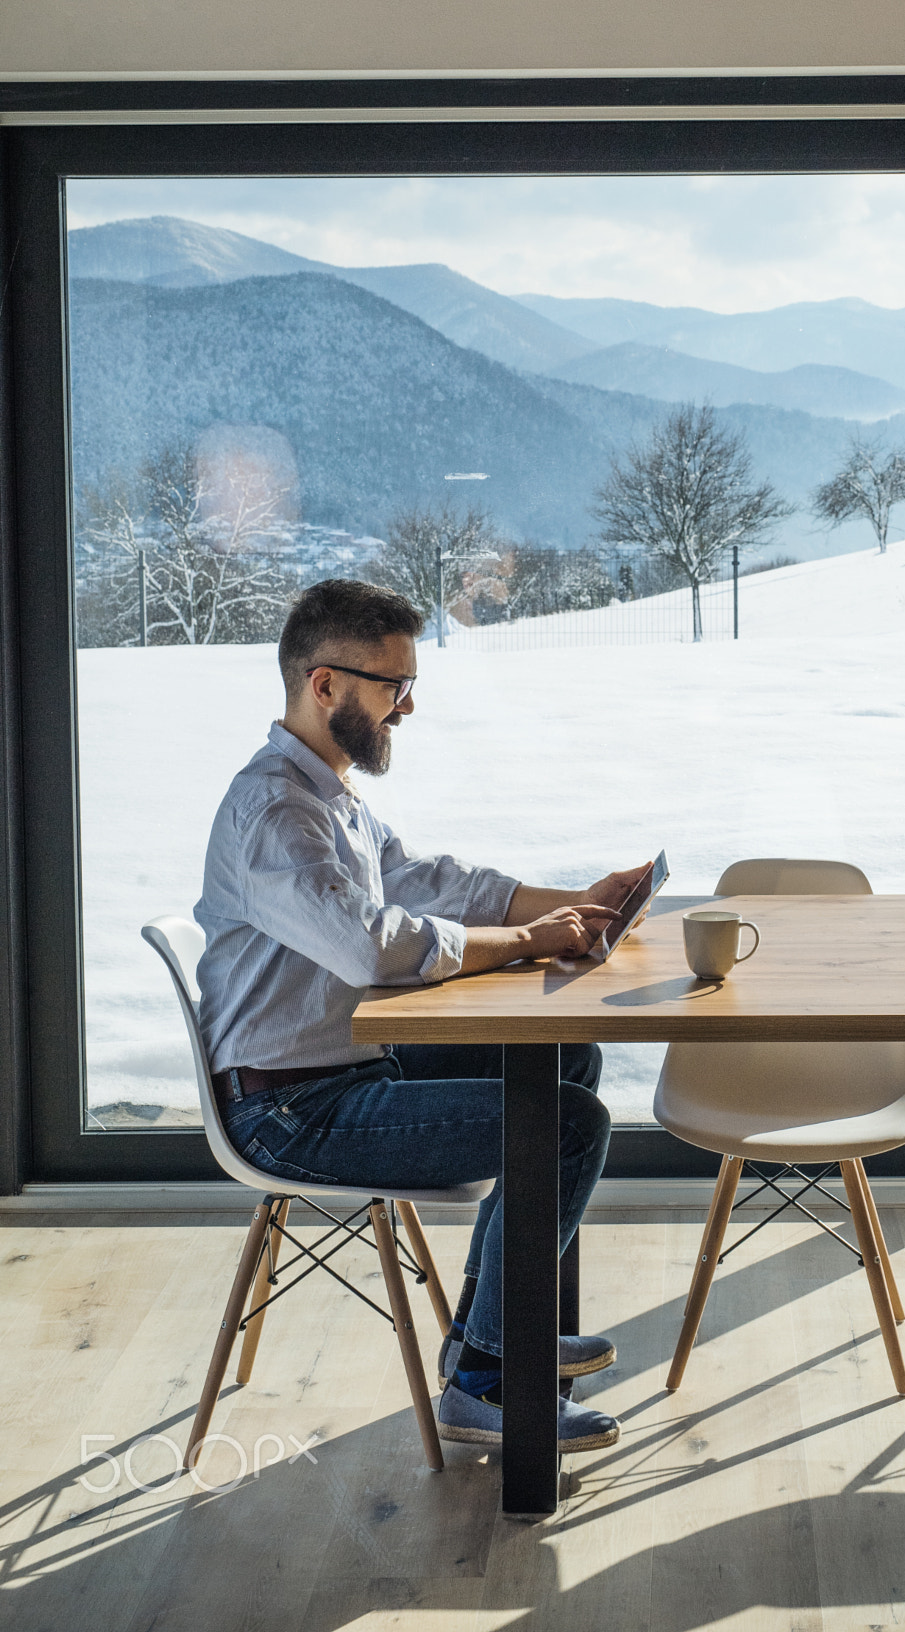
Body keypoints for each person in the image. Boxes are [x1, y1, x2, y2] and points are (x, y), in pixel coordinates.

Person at [195, 577, 648, 1453]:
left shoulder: (327, 795)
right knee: (564, 1124)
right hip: (290, 1110)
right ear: (323, 684)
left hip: (347, 1069)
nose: (406, 708)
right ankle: (486, 1379)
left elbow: (425, 883)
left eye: (409, 685)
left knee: (567, 1061)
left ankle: (497, 1328)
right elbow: (371, 946)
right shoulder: (275, 813)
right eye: (391, 686)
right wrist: (522, 944)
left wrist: (575, 903)